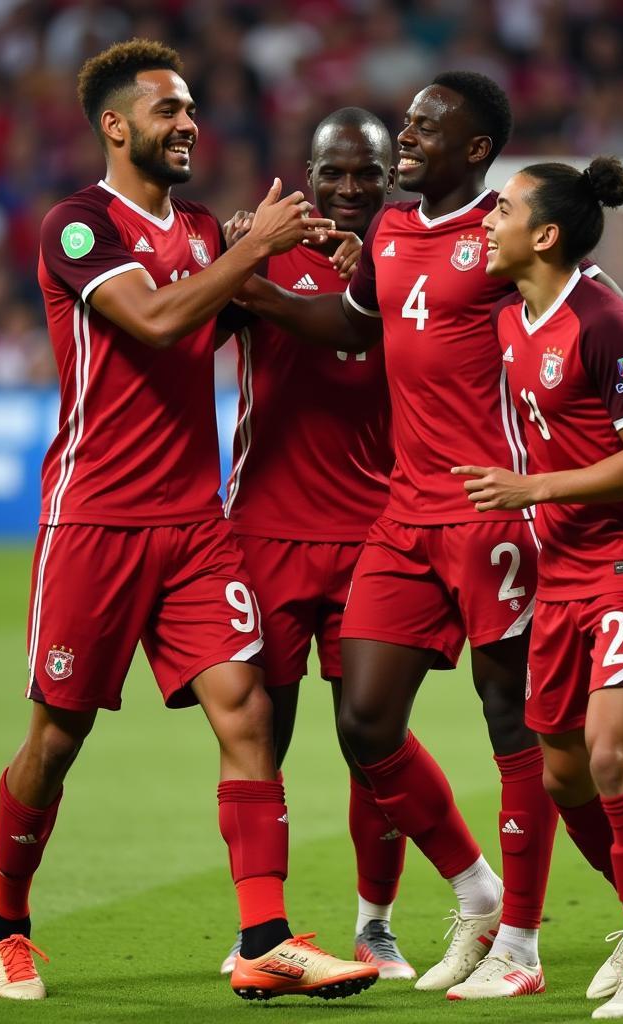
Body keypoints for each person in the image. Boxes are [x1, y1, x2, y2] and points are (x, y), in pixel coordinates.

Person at [235, 72, 623, 1000]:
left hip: (501, 512)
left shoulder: (507, 230)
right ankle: (481, 889)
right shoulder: (393, 232)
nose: (404, 137)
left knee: (524, 733)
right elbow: (356, 325)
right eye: (405, 123)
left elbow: (599, 311)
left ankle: (526, 940)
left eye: (421, 127)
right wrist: (259, 295)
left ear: (474, 149)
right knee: (366, 721)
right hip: (404, 513)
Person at [0, 39, 378, 1004]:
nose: (189, 122)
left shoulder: (203, 227)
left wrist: (331, 269)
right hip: (97, 521)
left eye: (192, 107)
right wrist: (250, 250)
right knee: (58, 737)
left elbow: (250, 316)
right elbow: (157, 321)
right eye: (168, 111)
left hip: (196, 525)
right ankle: (8, 925)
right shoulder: (76, 228)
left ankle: (265, 938)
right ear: (116, 126)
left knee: (246, 713)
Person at [454, 155, 623, 1018]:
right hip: (560, 570)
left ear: (545, 234)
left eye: (505, 208)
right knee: (562, 776)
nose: (488, 218)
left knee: (612, 757)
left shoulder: (601, 318)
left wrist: (536, 490)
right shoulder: (519, 312)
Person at [218, 108, 418, 980]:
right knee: (263, 733)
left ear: (391, 176)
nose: (348, 188)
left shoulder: (415, 263)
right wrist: (232, 257)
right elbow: (181, 335)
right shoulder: (258, 252)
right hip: (265, 530)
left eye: (366, 173)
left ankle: (376, 924)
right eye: (333, 172)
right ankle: (262, 929)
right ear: (306, 173)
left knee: (372, 737)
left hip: (379, 532)